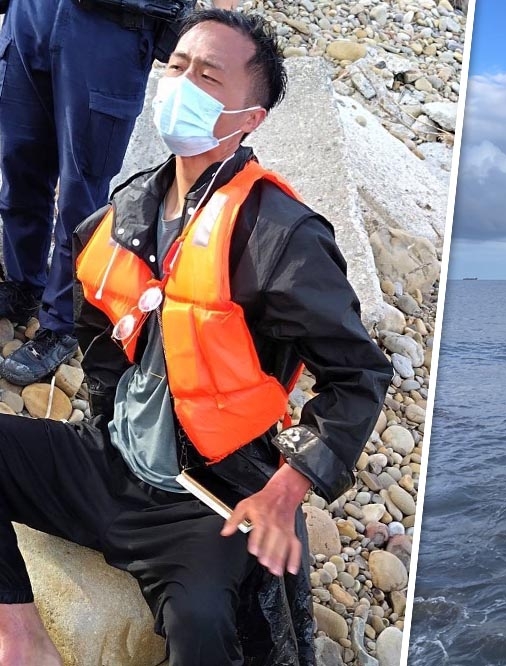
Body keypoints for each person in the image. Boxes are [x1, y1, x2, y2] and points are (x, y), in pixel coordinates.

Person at [0, 11, 393, 665]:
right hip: (112, 466)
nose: (179, 83)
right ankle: (20, 639)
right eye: (177, 66)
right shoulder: (127, 210)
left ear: (249, 118)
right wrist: (109, 409)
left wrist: (289, 487)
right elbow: (100, 335)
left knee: (208, 627)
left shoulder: (283, 235)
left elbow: (359, 375)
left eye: (207, 76)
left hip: (206, 500)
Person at [0, 0, 238, 386]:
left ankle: (62, 321)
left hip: (109, 28)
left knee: (82, 191)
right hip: (31, 16)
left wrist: (216, 36)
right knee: (18, 161)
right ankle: (24, 283)